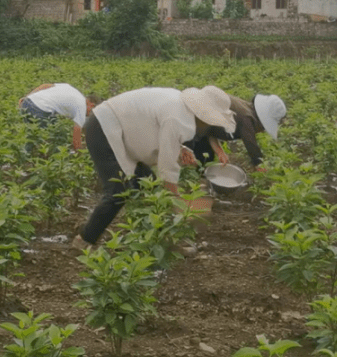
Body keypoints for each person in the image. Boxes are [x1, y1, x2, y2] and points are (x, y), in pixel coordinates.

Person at [71, 86, 236, 251]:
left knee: (150, 187)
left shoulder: (180, 108)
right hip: (103, 128)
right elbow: (167, 166)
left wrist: (181, 150)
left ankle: (159, 242)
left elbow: (157, 132)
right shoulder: (178, 117)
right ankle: (84, 240)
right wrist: (178, 202)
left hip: (120, 133)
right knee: (118, 192)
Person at [182, 94, 287, 170]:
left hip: (199, 125)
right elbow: (251, 145)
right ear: (262, 121)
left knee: (205, 160)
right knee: (187, 158)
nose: (262, 131)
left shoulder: (243, 110)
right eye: (264, 127)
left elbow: (211, 130)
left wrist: (219, 151)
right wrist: (259, 165)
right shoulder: (246, 118)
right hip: (189, 122)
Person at [18, 83, 100, 150]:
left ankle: (27, 155)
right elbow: (77, 132)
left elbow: (45, 85)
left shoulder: (70, 88)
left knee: (32, 135)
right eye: (91, 112)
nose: (89, 115)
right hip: (40, 109)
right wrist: (79, 153)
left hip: (27, 103)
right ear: (91, 105)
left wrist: (26, 97)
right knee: (51, 138)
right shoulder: (81, 106)